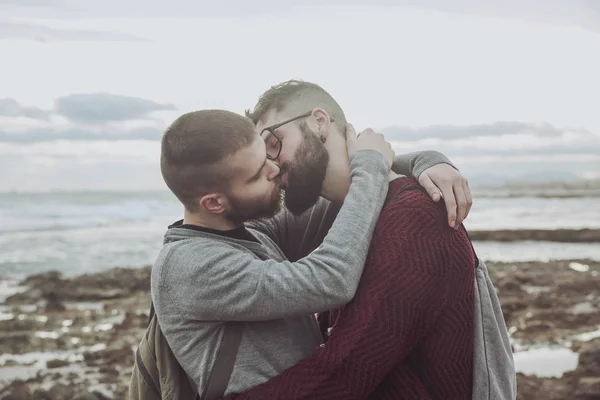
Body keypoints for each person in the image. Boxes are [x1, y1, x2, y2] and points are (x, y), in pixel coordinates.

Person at [217, 80, 513, 400]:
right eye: (262, 158)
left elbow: (347, 372)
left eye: (273, 142)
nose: (271, 165)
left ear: (319, 121)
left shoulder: (415, 217)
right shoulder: (351, 215)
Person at [152, 104, 470, 397]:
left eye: (266, 157)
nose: (274, 170)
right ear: (214, 203)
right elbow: (330, 279)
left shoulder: (251, 230)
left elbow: (343, 190)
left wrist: (425, 161)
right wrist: (370, 164)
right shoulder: (191, 266)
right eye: (257, 174)